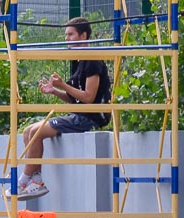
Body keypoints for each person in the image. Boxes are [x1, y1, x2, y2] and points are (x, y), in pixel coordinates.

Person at [12, 17, 111, 201]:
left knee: (36, 131)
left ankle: (23, 180)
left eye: (71, 34)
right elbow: (75, 99)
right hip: (79, 114)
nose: (67, 39)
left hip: (90, 117)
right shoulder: (78, 61)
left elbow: (89, 98)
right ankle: (36, 181)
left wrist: (63, 84)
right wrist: (55, 91)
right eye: (66, 35)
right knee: (28, 131)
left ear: (84, 35)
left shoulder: (93, 59)